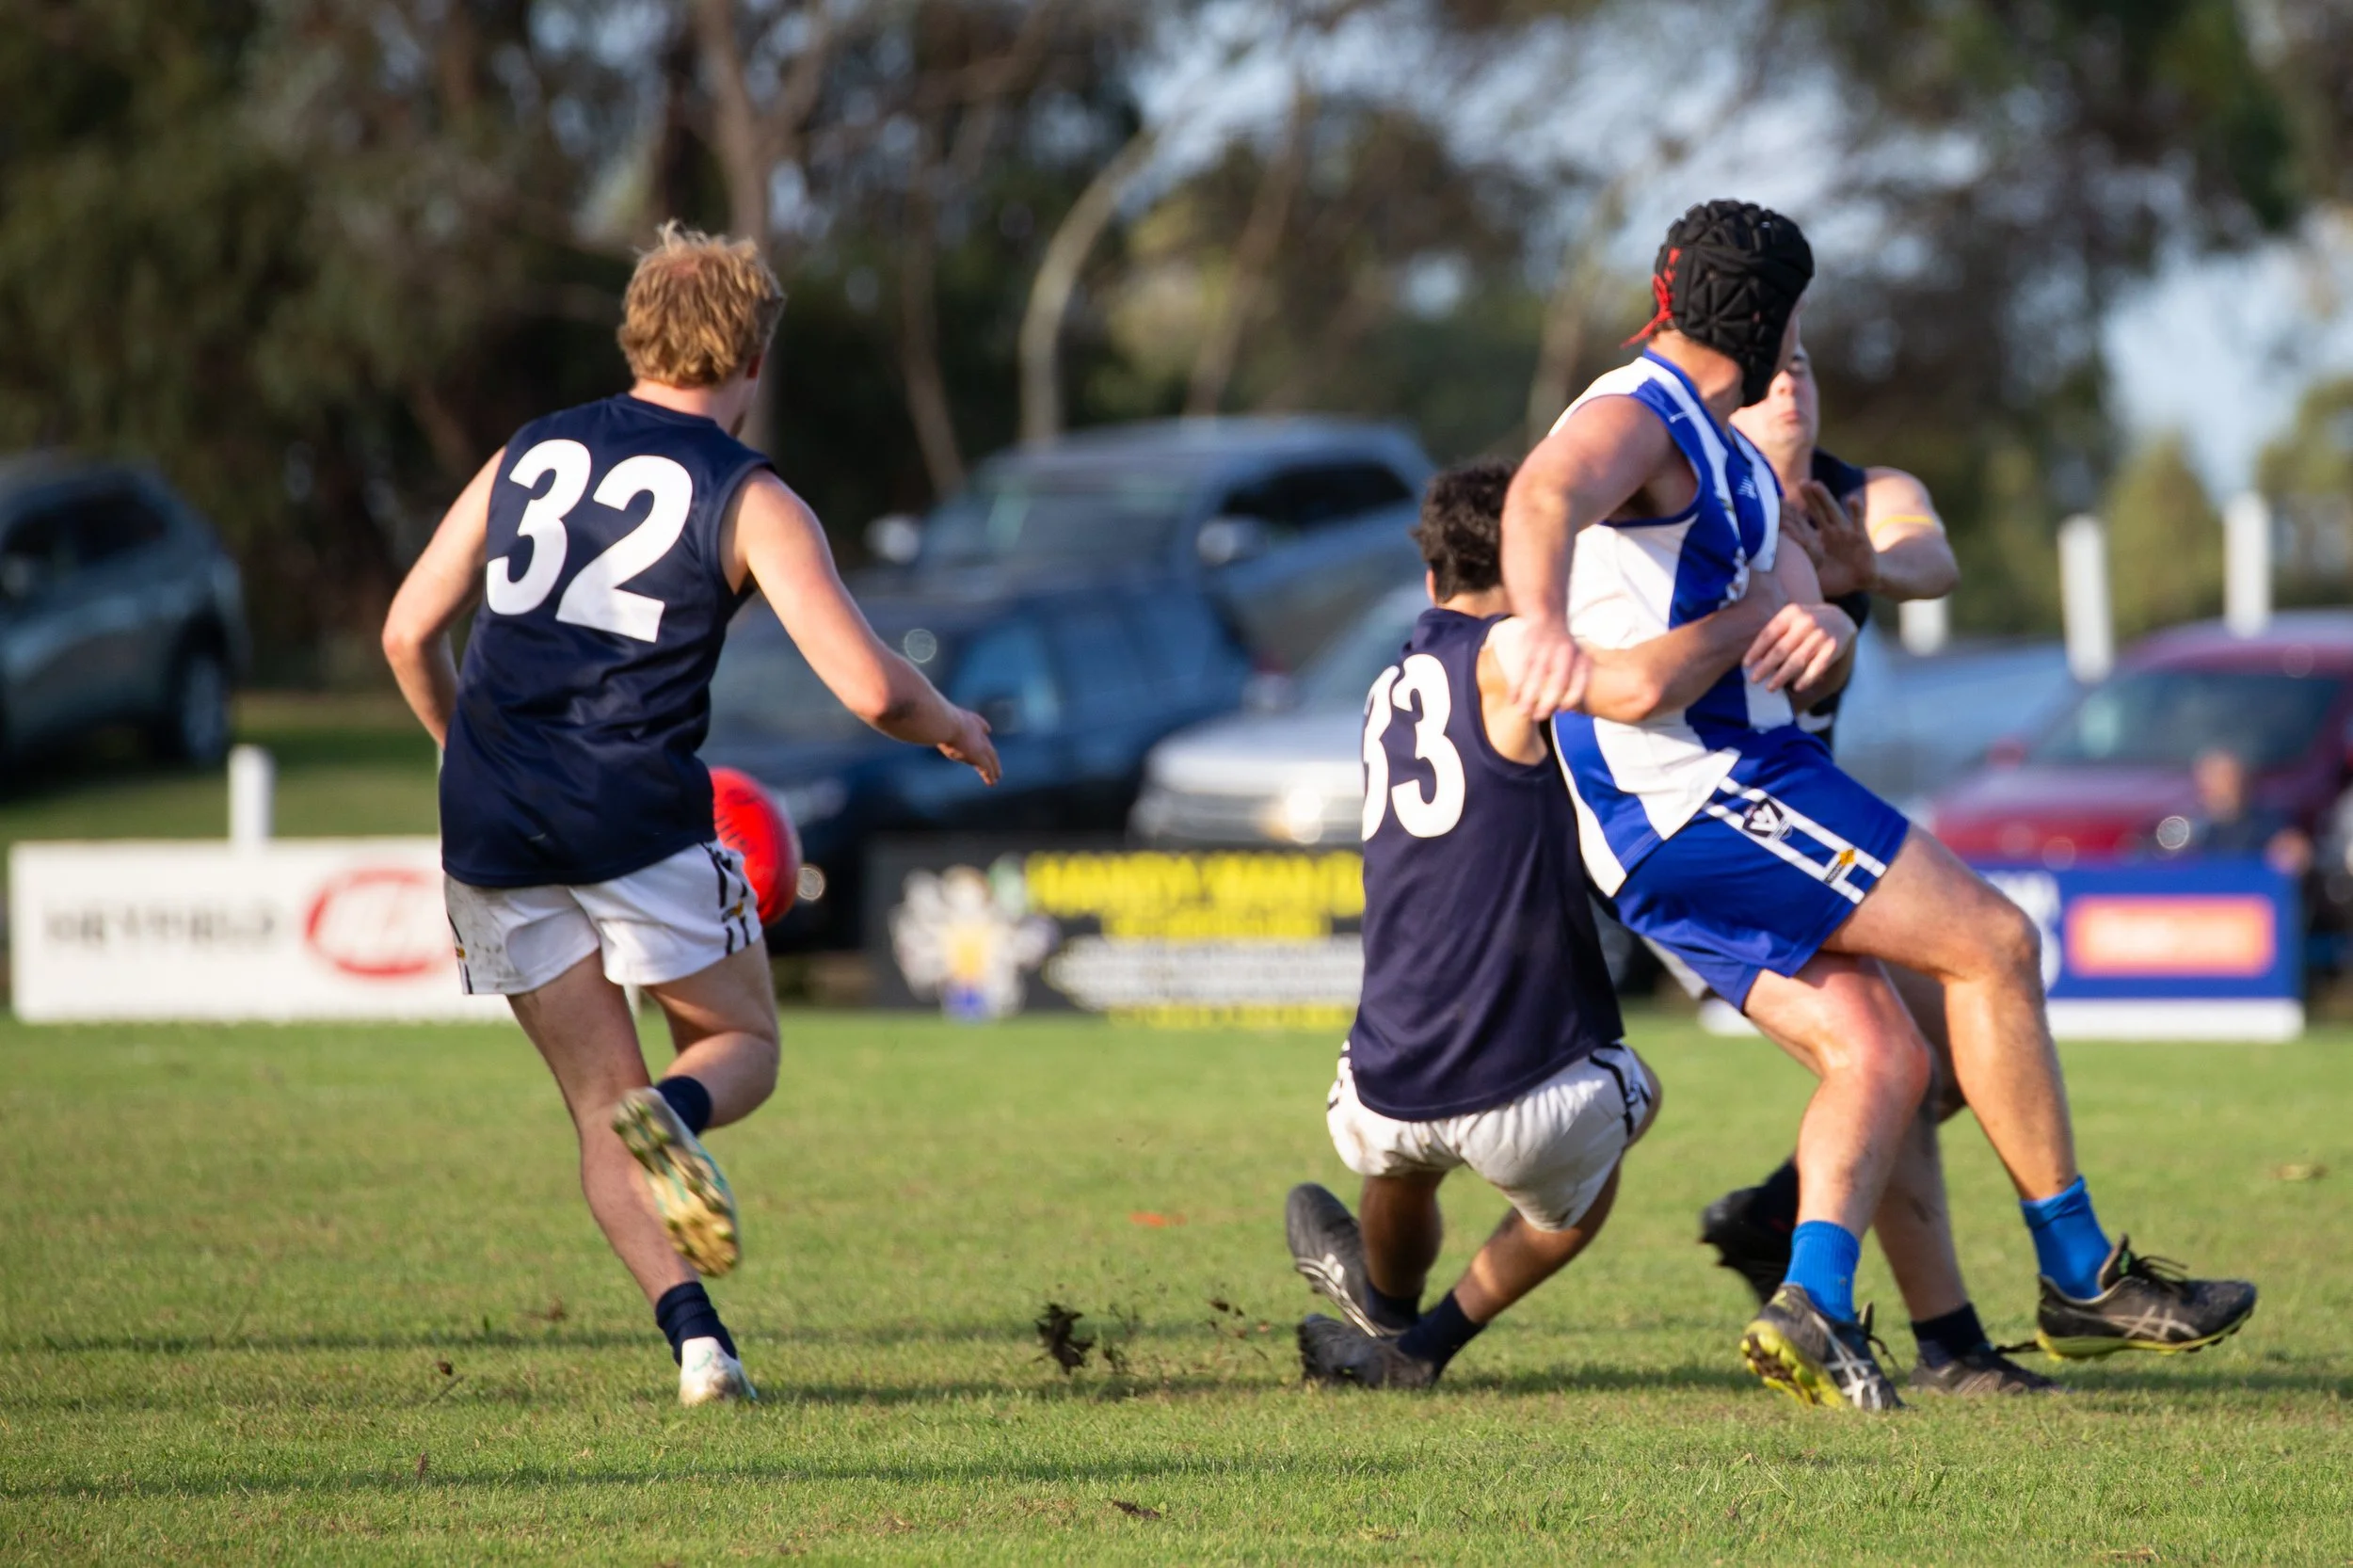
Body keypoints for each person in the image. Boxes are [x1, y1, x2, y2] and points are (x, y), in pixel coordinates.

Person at [1500, 198, 2256, 1410]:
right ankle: (2079, 1274)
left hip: (1683, 812)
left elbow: (1820, 604)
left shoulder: (1727, 452)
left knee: (1885, 1053)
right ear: (1771, 320)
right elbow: (1542, 494)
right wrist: (1539, 620)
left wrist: (1825, 616)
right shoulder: (1640, 410)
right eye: (1797, 322)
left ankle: (1812, 1298)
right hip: (1707, 791)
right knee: (1995, 941)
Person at [381, 224, 1000, 1406]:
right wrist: (954, 724)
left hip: (494, 826)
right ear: (753, 358)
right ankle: (672, 1116)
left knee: (595, 1108)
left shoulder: (527, 451)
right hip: (634, 813)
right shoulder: (749, 493)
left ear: (634, 338)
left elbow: (409, 631)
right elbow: (871, 689)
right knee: (739, 1048)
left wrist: (466, 753)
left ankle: (699, 1348)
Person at [1288, 459, 1797, 1388]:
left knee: (1403, 1163)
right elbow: (1640, 688)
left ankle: (1383, 1307)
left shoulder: (1388, 685)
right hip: (1531, 1091)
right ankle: (1420, 1349)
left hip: (1376, 1084)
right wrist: (1750, 614)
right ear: (1537, 553)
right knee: (1625, 1120)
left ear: (1431, 578)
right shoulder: (1517, 651)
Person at [1690, 343, 2057, 1394]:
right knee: (1897, 1054)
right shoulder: (1688, 502)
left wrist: (1868, 570)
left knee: (1939, 1057)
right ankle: (1947, 1333)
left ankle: (1796, 1221)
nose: (1787, 383)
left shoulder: (1860, 491)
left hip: (1794, 827)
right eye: (1764, 368)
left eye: (1801, 363)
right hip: (1710, 836)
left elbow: (1930, 559)